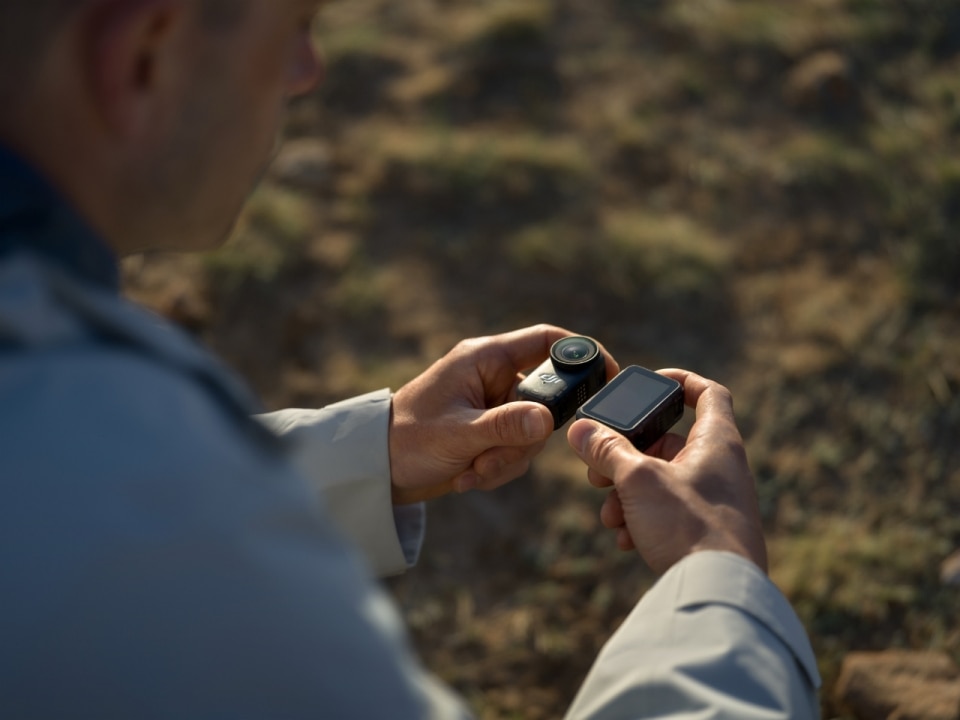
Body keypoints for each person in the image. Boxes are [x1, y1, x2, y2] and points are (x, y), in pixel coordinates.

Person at [0, 0, 821, 717]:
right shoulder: (140, 488)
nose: (309, 70)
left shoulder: (74, 426)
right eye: (295, 25)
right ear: (144, 55)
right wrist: (717, 574)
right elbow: (141, 512)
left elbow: (92, 495)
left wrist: (372, 449)